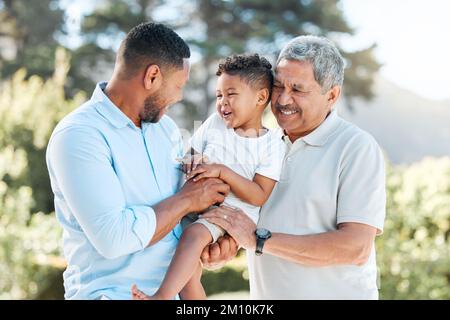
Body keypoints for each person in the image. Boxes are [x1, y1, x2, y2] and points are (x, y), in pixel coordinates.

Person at [46, 22, 235, 300]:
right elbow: (114, 238)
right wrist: (188, 199)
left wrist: (211, 238)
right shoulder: (79, 136)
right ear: (152, 76)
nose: (180, 96)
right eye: (178, 85)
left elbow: (175, 218)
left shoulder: (166, 129)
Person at [202, 35, 386, 299]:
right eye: (278, 86)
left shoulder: (356, 147)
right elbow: (249, 222)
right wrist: (228, 245)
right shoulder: (261, 145)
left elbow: (356, 247)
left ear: (331, 95)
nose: (283, 99)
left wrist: (258, 240)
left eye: (298, 90)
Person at [131, 54, 286, 300]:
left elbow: (259, 195)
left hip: (225, 215)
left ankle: (161, 297)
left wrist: (222, 172)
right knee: (187, 274)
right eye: (219, 95)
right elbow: (192, 154)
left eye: (231, 94)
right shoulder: (215, 123)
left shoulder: (271, 144)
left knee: (192, 237)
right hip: (194, 203)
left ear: (260, 97)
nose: (223, 102)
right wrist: (192, 162)